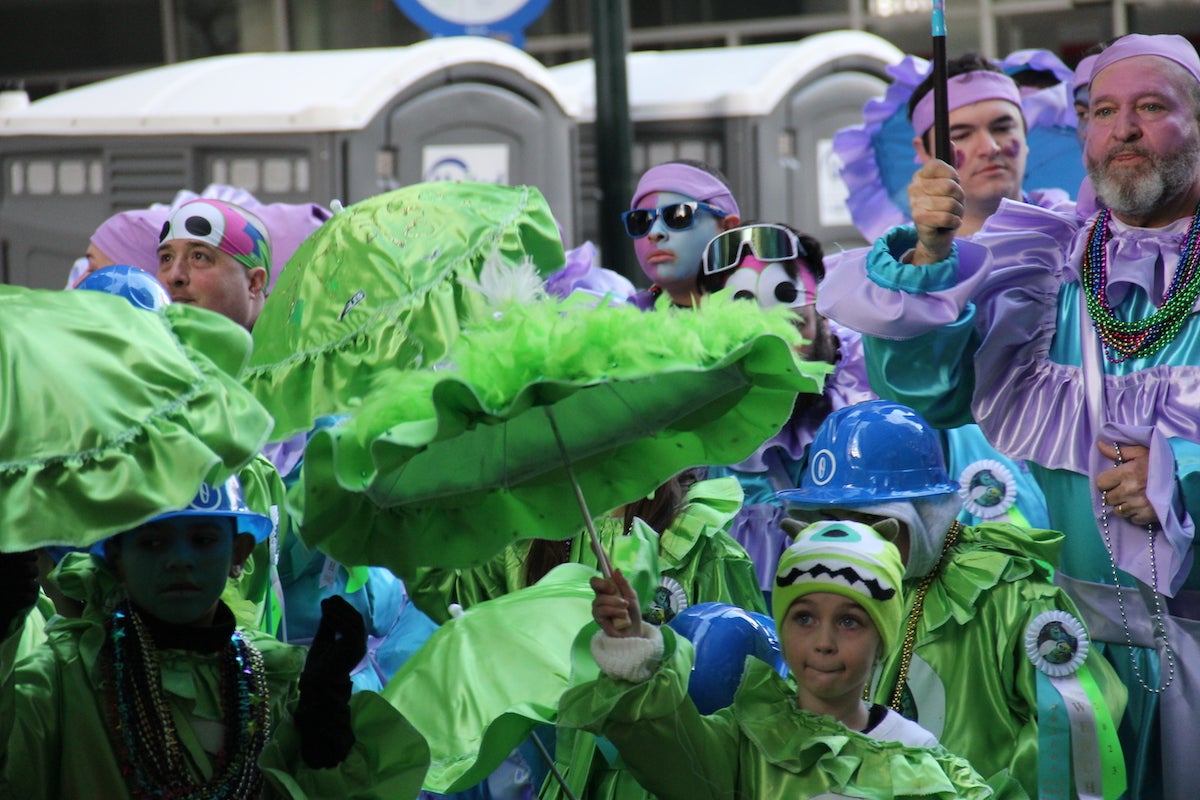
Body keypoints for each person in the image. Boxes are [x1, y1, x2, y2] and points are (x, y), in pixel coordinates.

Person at [817, 33, 1200, 800]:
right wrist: (929, 253)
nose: (1122, 128)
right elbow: (930, 390)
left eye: (1151, 107)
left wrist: (1180, 476)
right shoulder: (1046, 262)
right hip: (1062, 668)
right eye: (1102, 111)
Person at [778, 400, 1127, 799]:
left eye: (872, 524)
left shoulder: (1008, 594)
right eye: (832, 521)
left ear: (924, 515)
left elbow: (1075, 725)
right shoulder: (824, 595)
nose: (855, 548)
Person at [0, 477, 429, 799]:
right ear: (117, 558)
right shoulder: (65, 675)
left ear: (239, 553)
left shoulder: (273, 678)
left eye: (203, 540)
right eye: (152, 542)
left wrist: (324, 722)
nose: (180, 561)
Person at [556, 519, 1010, 800]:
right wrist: (632, 644)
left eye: (850, 622)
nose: (824, 642)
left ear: (883, 638)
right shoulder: (743, 742)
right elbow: (666, 752)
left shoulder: (927, 765)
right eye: (804, 618)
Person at [623, 159, 742, 308]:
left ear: (726, 228)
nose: (654, 233)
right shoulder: (620, 324)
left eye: (678, 216)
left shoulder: (766, 312)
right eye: (640, 221)